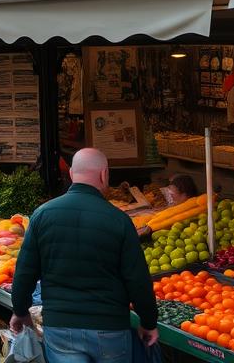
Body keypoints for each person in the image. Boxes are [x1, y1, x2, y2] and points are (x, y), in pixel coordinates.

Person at [10, 148, 158, 362]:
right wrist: (148, 322)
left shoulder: (43, 215)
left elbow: (25, 272)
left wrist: (20, 311)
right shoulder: (119, 221)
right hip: (110, 329)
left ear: (71, 174)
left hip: (61, 330)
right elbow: (137, 279)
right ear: (104, 174)